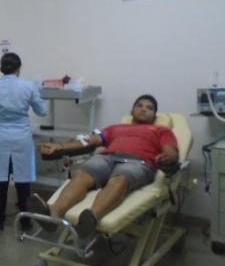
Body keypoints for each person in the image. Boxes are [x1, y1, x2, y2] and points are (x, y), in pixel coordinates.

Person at [35, 94, 179, 242]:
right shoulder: (115, 128)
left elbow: (171, 151)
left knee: (120, 179)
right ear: (132, 111)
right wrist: (59, 146)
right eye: (140, 106)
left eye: (149, 108)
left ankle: (91, 218)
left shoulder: (161, 131)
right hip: (107, 157)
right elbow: (88, 141)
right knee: (82, 175)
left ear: (154, 115)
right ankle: (53, 214)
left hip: (138, 162)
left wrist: (169, 157)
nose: (143, 110)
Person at [0, 53, 48, 231]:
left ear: (1, 68)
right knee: (23, 182)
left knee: (0, 182)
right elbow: (42, 112)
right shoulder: (28, 86)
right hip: (21, 138)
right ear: (19, 68)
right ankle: (26, 222)